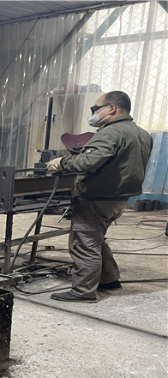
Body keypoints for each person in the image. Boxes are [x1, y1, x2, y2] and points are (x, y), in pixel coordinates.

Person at [46, 90, 153, 302]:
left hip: (97, 198)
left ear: (112, 108)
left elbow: (89, 161)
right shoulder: (142, 133)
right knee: (97, 239)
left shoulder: (111, 132)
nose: (94, 113)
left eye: (96, 109)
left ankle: (83, 292)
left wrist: (62, 163)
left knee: (84, 244)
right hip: (119, 199)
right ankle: (109, 279)